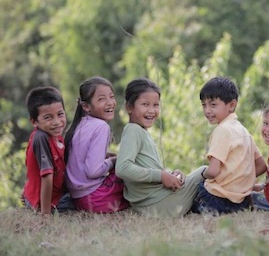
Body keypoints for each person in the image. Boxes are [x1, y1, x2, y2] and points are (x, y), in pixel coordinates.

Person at [115, 77, 207, 218]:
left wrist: (170, 175)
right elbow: (123, 168)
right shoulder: (133, 130)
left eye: (156, 105)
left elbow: (149, 168)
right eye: (145, 104)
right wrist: (161, 175)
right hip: (158, 205)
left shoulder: (141, 131)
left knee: (193, 177)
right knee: (205, 171)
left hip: (157, 202)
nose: (152, 110)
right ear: (129, 107)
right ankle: (240, 199)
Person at [190, 76, 267, 215]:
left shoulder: (222, 130)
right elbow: (262, 166)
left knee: (195, 186)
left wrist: (202, 174)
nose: (207, 110)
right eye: (204, 105)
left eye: (213, 105)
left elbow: (212, 171)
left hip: (215, 200)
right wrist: (241, 181)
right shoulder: (244, 131)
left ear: (231, 105)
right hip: (240, 203)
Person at [65, 76, 129, 213]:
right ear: (86, 106)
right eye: (101, 99)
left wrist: (105, 157)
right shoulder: (101, 127)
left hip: (79, 199)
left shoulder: (80, 124)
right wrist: (113, 161)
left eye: (111, 97)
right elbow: (93, 171)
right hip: (96, 199)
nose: (110, 103)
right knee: (131, 166)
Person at [23, 86, 76, 215]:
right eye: (48, 117)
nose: (57, 122)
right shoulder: (41, 138)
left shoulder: (55, 135)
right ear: (34, 122)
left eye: (60, 114)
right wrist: (45, 215)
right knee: (88, 199)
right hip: (48, 201)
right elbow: (47, 176)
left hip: (54, 193)